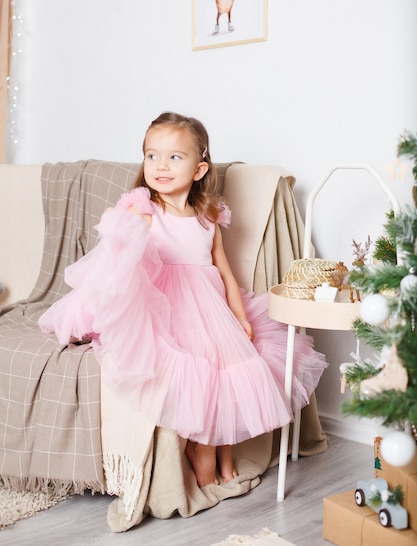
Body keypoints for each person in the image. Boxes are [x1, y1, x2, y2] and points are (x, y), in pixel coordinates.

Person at [39, 112, 327, 487]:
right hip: (165, 302)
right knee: (199, 364)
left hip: (210, 305)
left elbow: (223, 270)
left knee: (239, 359)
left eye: (175, 157)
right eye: (152, 156)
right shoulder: (144, 209)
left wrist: (239, 315)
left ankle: (222, 451)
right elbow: (119, 255)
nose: (161, 165)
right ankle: (204, 452)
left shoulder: (208, 214)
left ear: (199, 168)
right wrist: (123, 225)